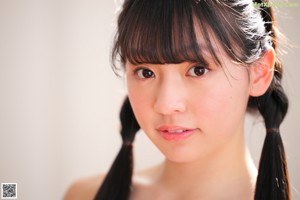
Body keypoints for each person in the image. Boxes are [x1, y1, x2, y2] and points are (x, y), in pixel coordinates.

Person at [64, 0, 291, 199]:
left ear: (259, 72)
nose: (165, 104)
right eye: (145, 72)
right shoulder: (84, 195)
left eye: (198, 70)